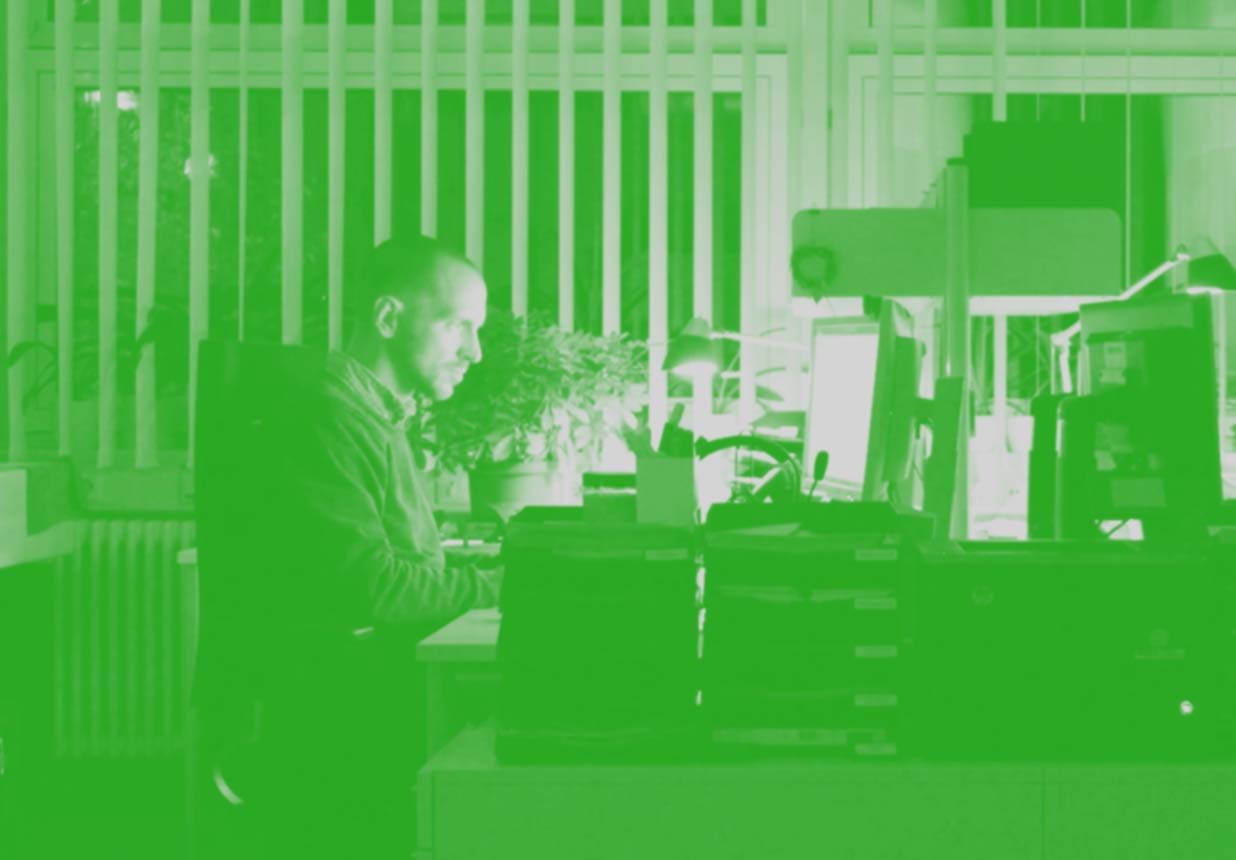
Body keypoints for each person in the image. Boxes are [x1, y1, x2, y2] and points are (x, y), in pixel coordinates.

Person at [198, 235, 501, 858]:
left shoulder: (370, 412)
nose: (475, 351)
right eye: (458, 326)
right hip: (341, 715)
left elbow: (405, 561)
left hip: (364, 689)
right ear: (388, 317)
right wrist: (506, 585)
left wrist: (493, 569)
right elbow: (374, 587)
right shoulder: (325, 415)